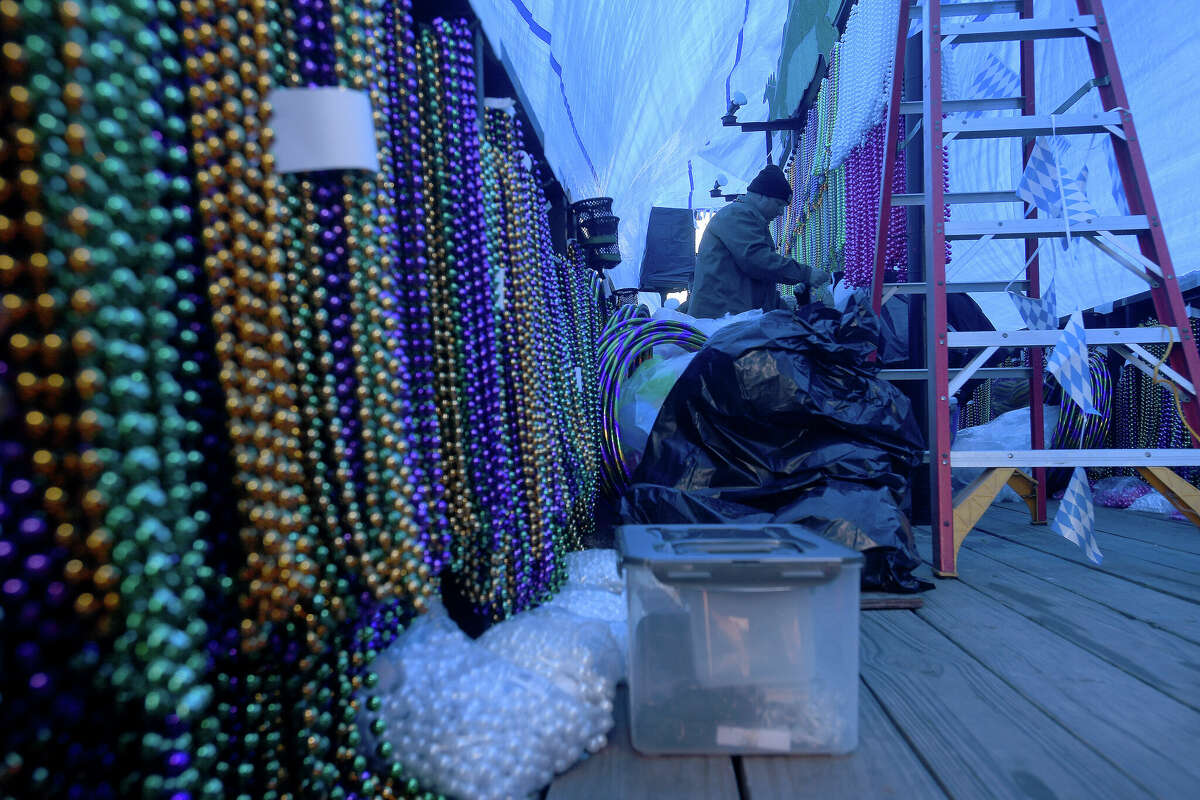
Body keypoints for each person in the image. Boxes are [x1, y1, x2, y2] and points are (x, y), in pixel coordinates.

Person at [688, 164, 828, 318]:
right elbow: (758, 260)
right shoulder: (737, 215)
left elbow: (759, 284)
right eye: (779, 204)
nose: (781, 212)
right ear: (761, 195)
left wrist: (787, 311)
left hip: (730, 319)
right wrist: (806, 273)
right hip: (720, 320)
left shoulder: (749, 218)